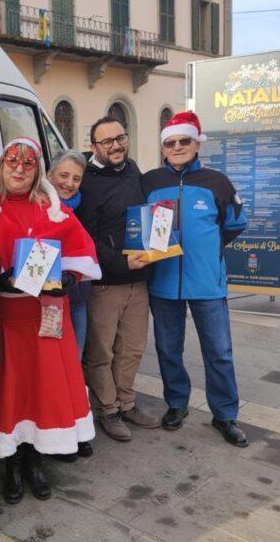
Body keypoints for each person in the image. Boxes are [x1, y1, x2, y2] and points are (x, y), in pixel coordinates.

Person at [0, 137, 100, 505]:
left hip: (46, 318)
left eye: (28, 165)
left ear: (37, 171)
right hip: (4, 318)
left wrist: (70, 278)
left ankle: (35, 462)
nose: (19, 169)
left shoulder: (53, 208)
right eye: (13, 162)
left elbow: (82, 251)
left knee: (42, 392)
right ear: (0, 166)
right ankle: (10, 465)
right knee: (9, 392)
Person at [141, 111, 249, 447]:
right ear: (162, 148)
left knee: (219, 351)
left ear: (196, 143)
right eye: (170, 143)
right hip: (163, 280)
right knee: (168, 348)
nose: (177, 147)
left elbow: (234, 224)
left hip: (207, 283)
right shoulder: (150, 182)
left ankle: (225, 413)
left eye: (183, 141)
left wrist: (208, 251)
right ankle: (176, 404)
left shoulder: (217, 182)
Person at [75, 116, 160, 442]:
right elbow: (84, 238)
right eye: (107, 141)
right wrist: (120, 260)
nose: (116, 145)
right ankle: (107, 410)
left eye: (120, 138)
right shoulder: (86, 181)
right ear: (94, 145)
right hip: (105, 283)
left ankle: (127, 403)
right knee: (101, 353)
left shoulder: (133, 170)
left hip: (138, 282)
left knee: (133, 349)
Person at [47, 149, 94, 460]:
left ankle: (74, 430)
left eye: (76, 178)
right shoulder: (42, 206)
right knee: (54, 371)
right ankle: (55, 435)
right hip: (50, 304)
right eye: (63, 175)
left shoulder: (81, 206)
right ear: (50, 175)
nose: (69, 183)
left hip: (77, 299)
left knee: (74, 369)